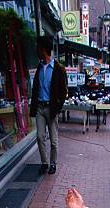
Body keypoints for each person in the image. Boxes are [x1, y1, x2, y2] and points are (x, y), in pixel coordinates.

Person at [30, 36, 67, 175]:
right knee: (40, 136)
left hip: (51, 108)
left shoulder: (58, 68)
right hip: (40, 107)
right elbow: (35, 89)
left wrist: (57, 108)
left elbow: (64, 91)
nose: (37, 50)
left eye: (38, 48)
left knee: (53, 139)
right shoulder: (39, 68)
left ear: (43, 49)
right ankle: (44, 163)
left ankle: (53, 163)